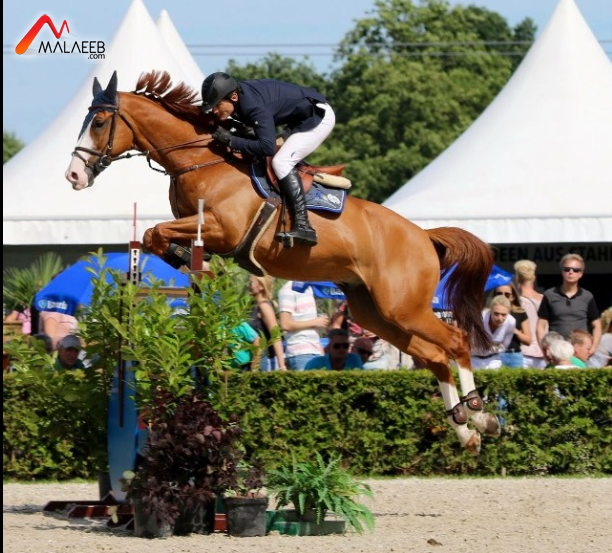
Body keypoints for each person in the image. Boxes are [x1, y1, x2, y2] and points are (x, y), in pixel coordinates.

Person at [201, 72, 336, 247]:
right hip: (297, 119)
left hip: (317, 117)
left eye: (218, 105)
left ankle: (304, 225)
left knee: (281, 162)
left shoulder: (253, 106)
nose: (215, 111)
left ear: (234, 97)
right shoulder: (239, 100)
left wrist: (232, 141)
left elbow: (267, 147)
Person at [537, 254, 601, 355]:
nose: (571, 272)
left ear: (581, 274)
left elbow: (597, 325)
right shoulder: (549, 295)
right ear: (562, 272)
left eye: (575, 270)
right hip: (557, 350)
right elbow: (541, 325)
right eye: (567, 269)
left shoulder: (587, 296)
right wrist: (544, 348)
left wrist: (593, 347)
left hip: (579, 351)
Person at [278, 281, 328, 370]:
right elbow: (285, 324)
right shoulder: (288, 289)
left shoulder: (308, 288)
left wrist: (321, 351)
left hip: (315, 351)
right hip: (300, 354)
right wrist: (315, 322)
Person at [247, 275, 286, 371]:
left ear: (261, 286)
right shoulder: (253, 306)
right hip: (255, 358)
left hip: (265, 361)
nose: (248, 286)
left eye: (251, 283)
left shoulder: (264, 306)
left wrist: (282, 366)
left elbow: (275, 335)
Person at [514, 259, 546, 368]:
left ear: (517, 278)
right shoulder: (544, 299)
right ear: (534, 278)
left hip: (524, 351)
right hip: (543, 350)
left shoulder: (517, 302)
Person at [470, 295, 516, 369]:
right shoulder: (480, 318)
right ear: (490, 311)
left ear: (508, 313)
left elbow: (504, 347)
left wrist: (488, 344)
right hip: (474, 359)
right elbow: (471, 342)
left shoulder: (511, 322)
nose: (500, 318)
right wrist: (495, 345)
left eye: (504, 315)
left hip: (494, 359)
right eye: (496, 314)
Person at [492, 284, 531, 368]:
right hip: (495, 355)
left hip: (514, 355)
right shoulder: (490, 313)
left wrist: (514, 330)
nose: (503, 297)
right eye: (499, 294)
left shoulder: (520, 313)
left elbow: (528, 341)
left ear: (513, 296)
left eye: (507, 294)